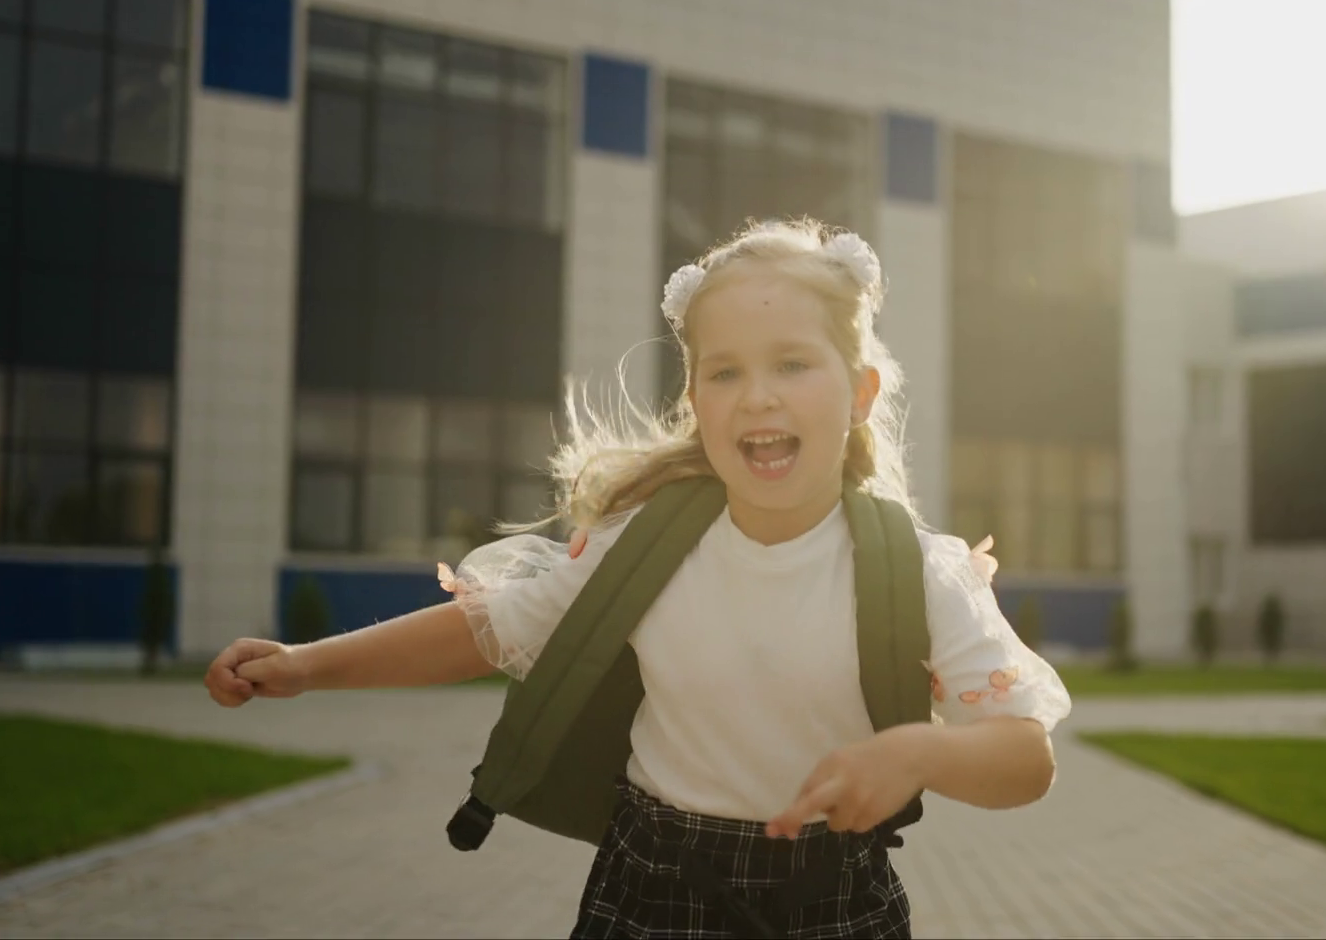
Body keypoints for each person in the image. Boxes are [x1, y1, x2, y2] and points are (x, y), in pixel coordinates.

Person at [204, 217, 1071, 938]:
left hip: (837, 906)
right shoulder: (646, 545)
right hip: (652, 893)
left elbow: (1026, 760)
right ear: (696, 403)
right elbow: (485, 631)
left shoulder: (915, 568)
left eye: (792, 363)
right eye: (725, 372)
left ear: (861, 392)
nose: (757, 395)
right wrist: (306, 664)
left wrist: (922, 751)